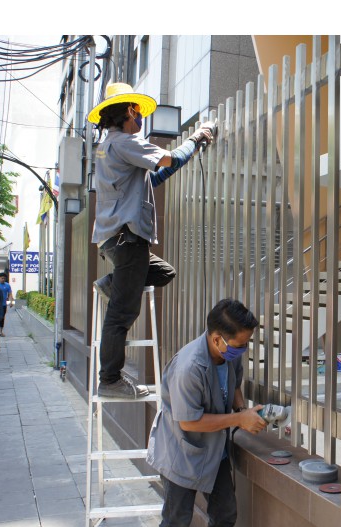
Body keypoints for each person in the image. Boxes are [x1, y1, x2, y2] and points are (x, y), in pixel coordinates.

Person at [87, 82, 215, 399]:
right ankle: (111, 379)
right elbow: (168, 159)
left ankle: (112, 283)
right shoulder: (125, 141)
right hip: (127, 239)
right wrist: (197, 138)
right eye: (139, 111)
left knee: (163, 272)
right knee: (122, 313)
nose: (142, 117)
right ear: (130, 110)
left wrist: (175, 161)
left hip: (113, 238)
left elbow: (154, 176)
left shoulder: (107, 146)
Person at [146, 299, 267, 527]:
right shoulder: (189, 367)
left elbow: (234, 381)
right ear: (216, 340)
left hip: (215, 451)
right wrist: (239, 419)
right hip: (182, 451)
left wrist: (243, 409)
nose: (243, 350)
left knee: (224, 516)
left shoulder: (228, 354)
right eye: (239, 345)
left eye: (247, 344)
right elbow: (189, 422)